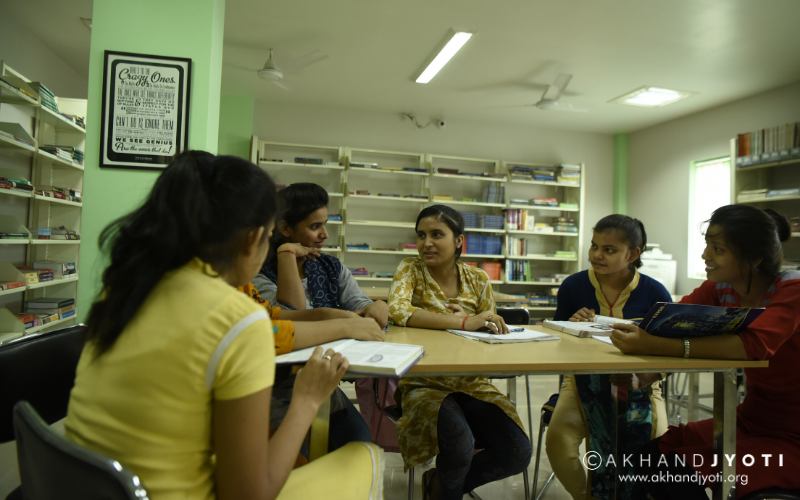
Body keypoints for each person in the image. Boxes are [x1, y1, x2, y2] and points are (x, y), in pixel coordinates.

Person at [64, 152, 382, 500]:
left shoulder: (128, 286)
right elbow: (248, 494)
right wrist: (307, 400)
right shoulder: (236, 320)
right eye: (271, 236)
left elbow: (274, 319)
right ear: (252, 240)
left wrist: (334, 319)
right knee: (364, 456)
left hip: (86, 485)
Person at [611, 205, 800, 498]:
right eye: (707, 246)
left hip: (791, 437)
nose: (705, 256)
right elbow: (666, 325)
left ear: (754, 257)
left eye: (718, 249)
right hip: (750, 419)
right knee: (648, 455)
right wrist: (648, 372)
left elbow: (753, 347)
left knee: (672, 470)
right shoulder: (720, 289)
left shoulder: (792, 291)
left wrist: (652, 346)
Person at [387, 205, 531, 500]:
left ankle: (438, 486)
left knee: (518, 452)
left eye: (437, 234)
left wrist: (477, 323)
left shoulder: (478, 279)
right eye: (422, 235)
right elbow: (399, 310)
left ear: (458, 241)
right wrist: (463, 320)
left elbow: (489, 329)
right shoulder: (410, 269)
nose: (427, 243)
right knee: (459, 442)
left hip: (472, 383)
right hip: (423, 383)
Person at [546, 214, 672, 500]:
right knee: (559, 444)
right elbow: (556, 342)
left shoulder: (655, 292)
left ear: (633, 254)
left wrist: (647, 377)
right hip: (580, 382)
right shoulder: (573, 286)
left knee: (656, 448)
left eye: (609, 250)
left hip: (642, 383)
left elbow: (669, 349)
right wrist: (572, 325)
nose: (597, 255)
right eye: (594, 246)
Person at [255, 182, 388, 451]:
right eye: (315, 226)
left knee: (361, 444)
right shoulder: (259, 273)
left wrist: (377, 305)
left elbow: (361, 304)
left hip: (322, 381)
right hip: (276, 389)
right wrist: (288, 255)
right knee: (297, 461)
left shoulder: (329, 266)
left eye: (325, 224)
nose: (325, 234)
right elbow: (289, 315)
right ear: (285, 229)